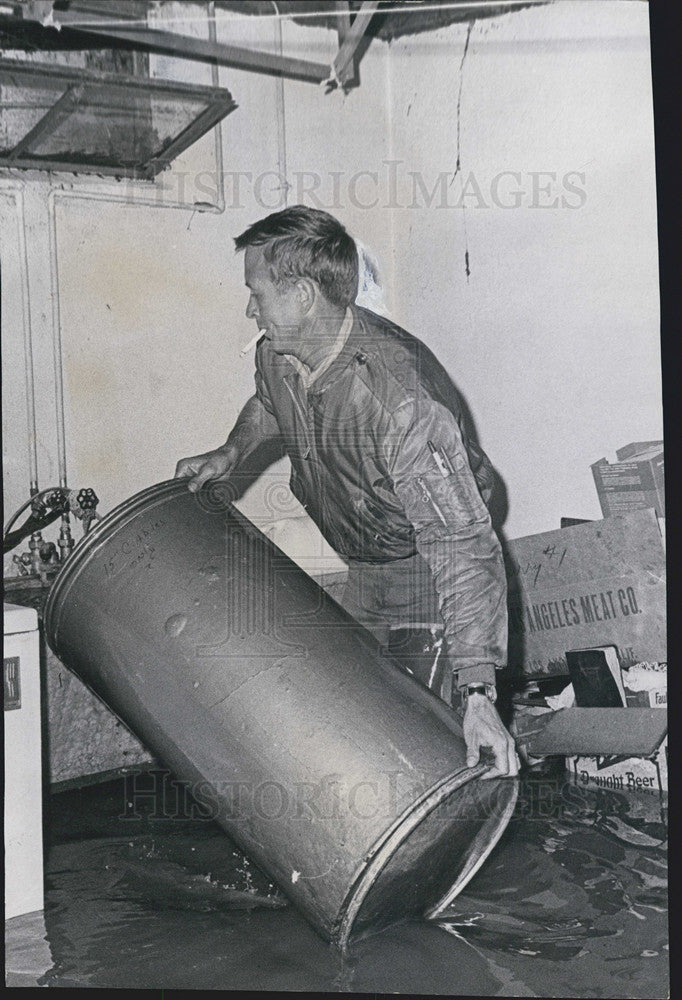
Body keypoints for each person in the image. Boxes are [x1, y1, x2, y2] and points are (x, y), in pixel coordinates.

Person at [175, 205, 519, 779]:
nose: (249, 307)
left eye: (256, 293)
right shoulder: (278, 353)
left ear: (304, 295)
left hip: (426, 566)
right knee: (360, 718)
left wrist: (480, 690)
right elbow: (268, 403)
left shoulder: (402, 403)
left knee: (435, 749)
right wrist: (230, 452)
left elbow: (461, 546)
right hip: (364, 563)